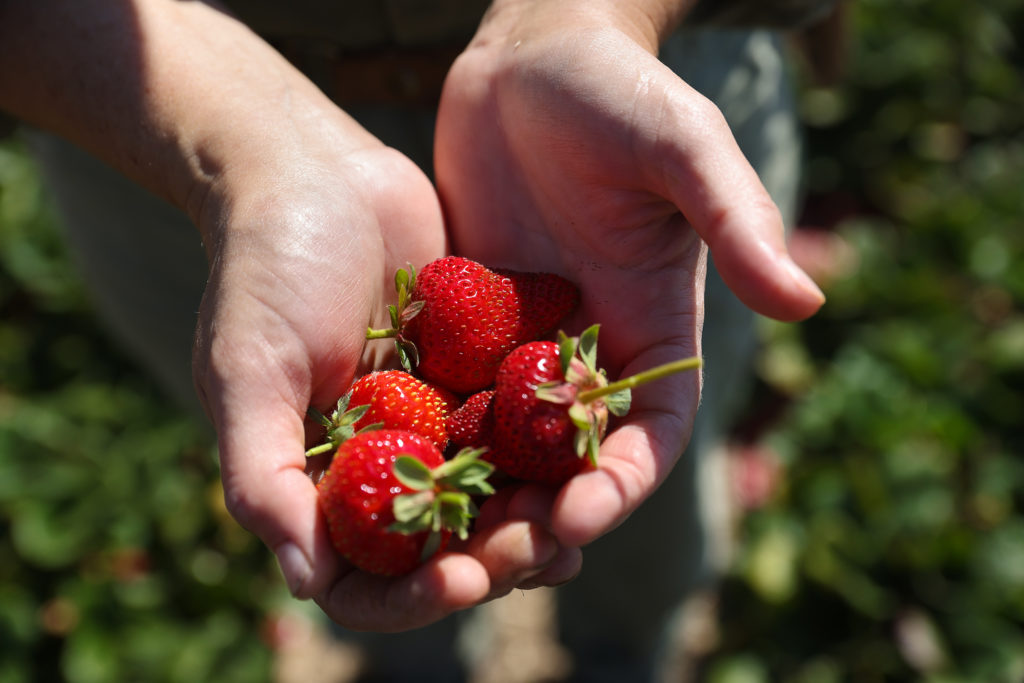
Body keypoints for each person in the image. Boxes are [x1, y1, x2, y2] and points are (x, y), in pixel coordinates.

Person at [0, 0, 831, 679]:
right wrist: (242, 151)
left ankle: (626, 654)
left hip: (631, 90)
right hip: (156, 119)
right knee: (362, 547)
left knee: (655, 499)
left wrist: (594, 13)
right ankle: (416, 665)